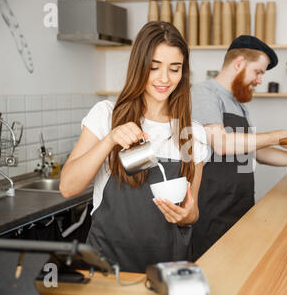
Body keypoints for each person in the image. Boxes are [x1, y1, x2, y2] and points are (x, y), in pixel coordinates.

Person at [59, 22, 208, 273]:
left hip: (169, 266)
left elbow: (192, 211)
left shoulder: (193, 133)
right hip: (107, 264)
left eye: (175, 69)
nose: (164, 78)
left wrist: (188, 216)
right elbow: (67, 187)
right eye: (154, 67)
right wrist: (110, 140)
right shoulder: (106, 115)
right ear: (139, 67)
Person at [190, 35, 287, 261]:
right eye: (258, 72)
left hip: (240, 205)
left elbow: (256, 151)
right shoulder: (203, 93)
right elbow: (222, 143)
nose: (259, 80)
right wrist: (278, 136)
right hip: (211, 209)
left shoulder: (238, 104)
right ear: (238, 64)